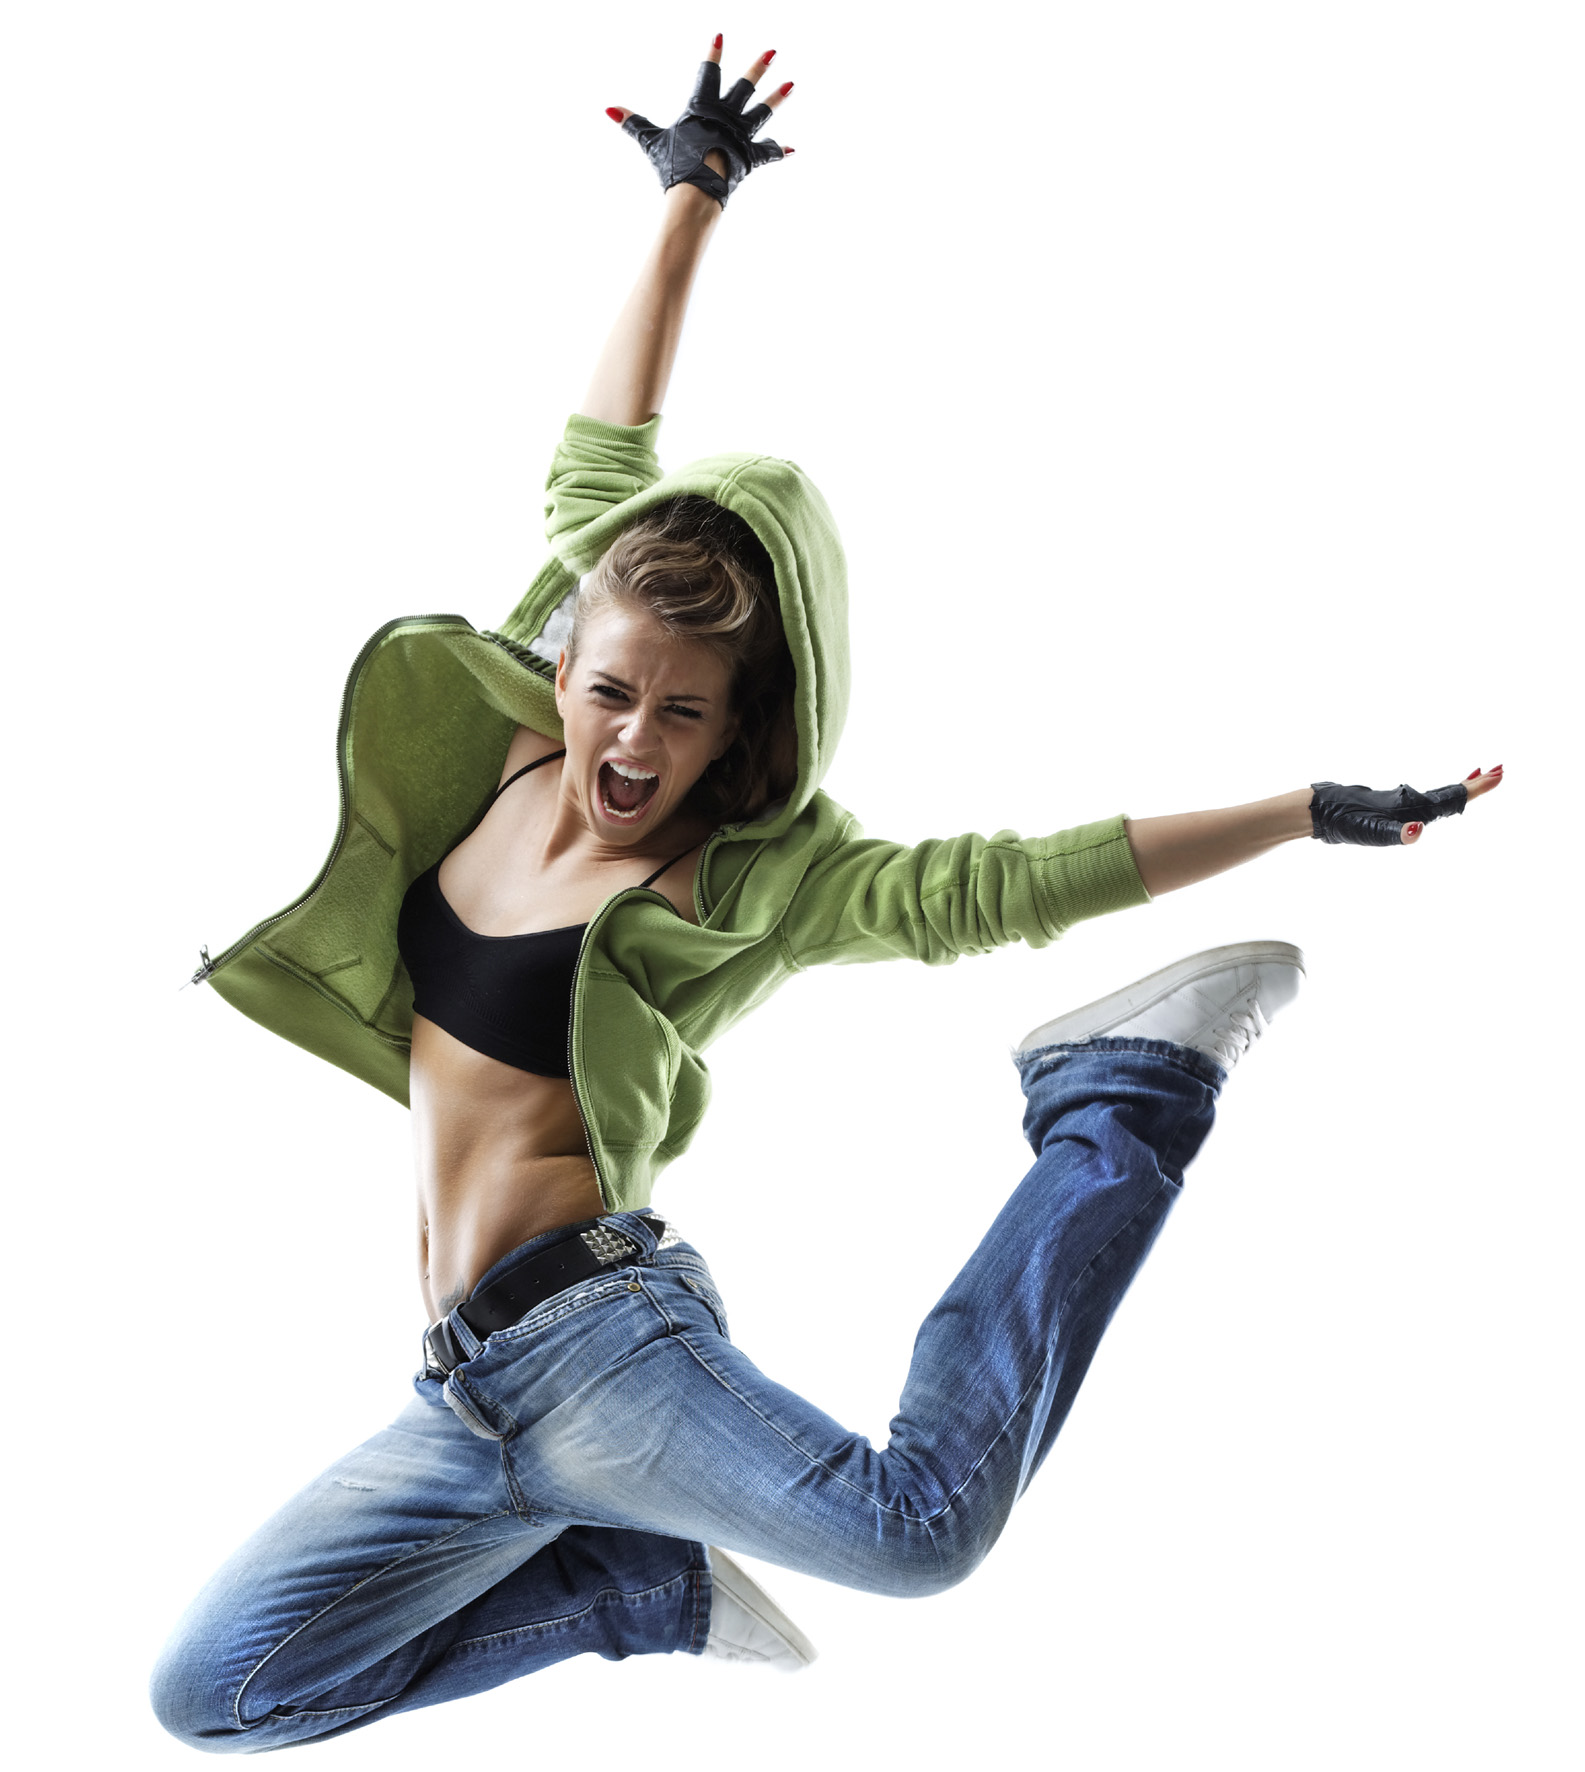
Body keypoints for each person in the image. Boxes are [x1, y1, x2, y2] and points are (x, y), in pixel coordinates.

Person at [150, 36, 1503, 1753]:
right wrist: (691, 194)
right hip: (463, 1396)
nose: (632, 740)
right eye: (611, 692)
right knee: (220, 1696)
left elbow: (1004, 882)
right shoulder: (511, 727)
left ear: (739, 727)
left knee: (915, 1534)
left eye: (683, 715)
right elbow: (602, 443)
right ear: (566, 661)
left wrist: (1300, 812)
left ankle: (1123, 1093)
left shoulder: (756, 877)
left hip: (600, 1344)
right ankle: (637, 1589)